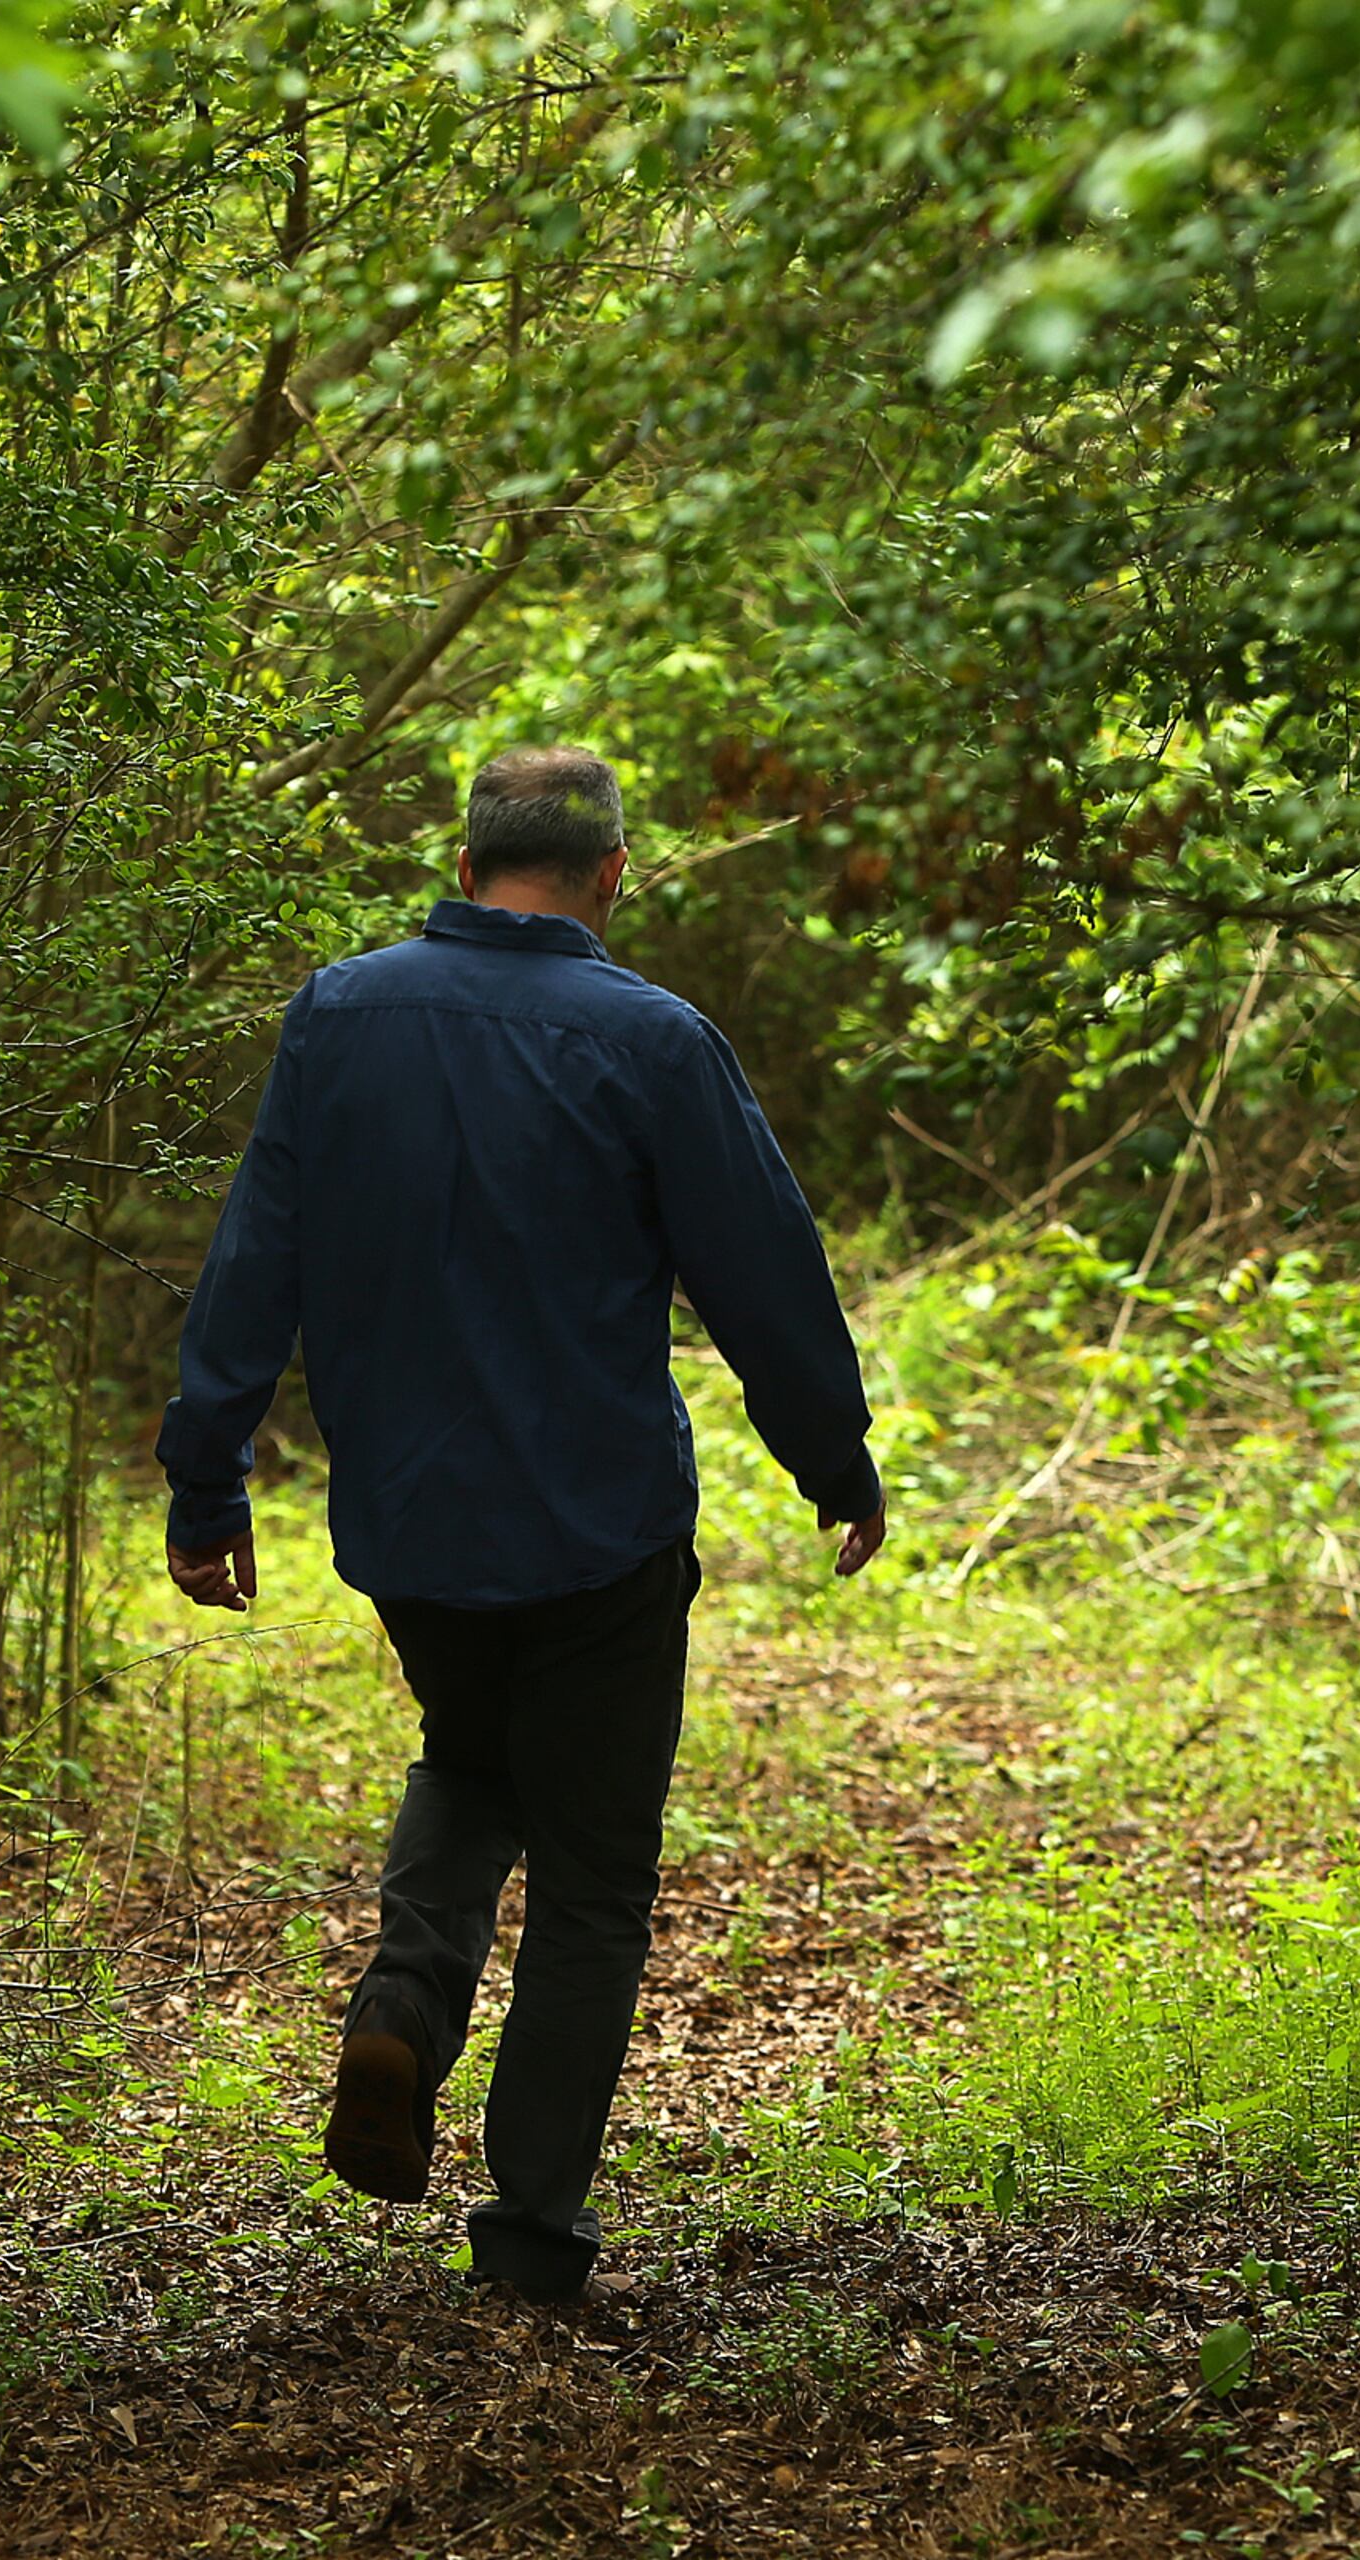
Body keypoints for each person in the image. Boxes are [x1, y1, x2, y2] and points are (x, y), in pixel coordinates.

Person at [155, 743, 883, 2302]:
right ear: (610, 874)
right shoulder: (654, 1040)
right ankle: (534, 2233)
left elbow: (255, 1255)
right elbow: (762, 1267)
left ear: (468, 856)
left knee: (471, 1759)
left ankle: (405, 2006)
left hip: (414, 1526)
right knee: (596, 1878)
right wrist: (834, 1454)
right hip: (600, 1531)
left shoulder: (341, 1015)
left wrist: (206, 1477)